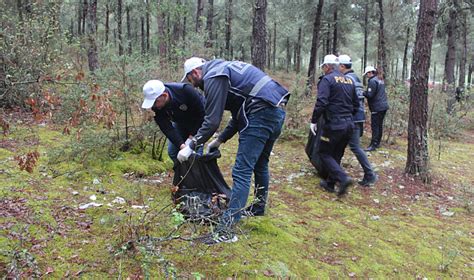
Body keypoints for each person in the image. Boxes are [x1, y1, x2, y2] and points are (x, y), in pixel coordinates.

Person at [177, 57, 289, 244]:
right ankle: (258, 207)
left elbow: (212, 120)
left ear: (195, 72)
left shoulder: (214, 76)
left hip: (260, 113)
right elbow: (240, 110)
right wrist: (220, 140)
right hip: (276, 110)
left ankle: (226, 230)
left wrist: (192, 145)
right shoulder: (223, 69)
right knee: (261, 163)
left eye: (190, 80)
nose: (193, 85)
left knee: (241, 171)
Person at [310, 54, 359, 196]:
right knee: (336, 153)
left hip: (333, 125)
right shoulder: (349, 81)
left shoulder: (327, 80)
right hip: (349, 125)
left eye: (324, 67)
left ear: (327, 66)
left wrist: (314, 120)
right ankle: (330, 184)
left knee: (323, 152)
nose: (323, 69)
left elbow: (322, 102)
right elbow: (356, 105)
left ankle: (343, 179)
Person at [141, 80, 205, 162]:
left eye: (155, 102)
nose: (154, 106)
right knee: (173, 152)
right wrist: (182, 146)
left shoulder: (185, 91)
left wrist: (191, 140)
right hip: (180, 123)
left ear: (164, 95)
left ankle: (198, 173)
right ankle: (185, 173)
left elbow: (202, 115)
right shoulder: (157, 106)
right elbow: (167, 128)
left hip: (198, 122)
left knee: (194, 153)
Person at [338, 55, 378, 186]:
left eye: (339, 66)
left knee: (354, 146)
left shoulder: (347, 79)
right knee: (341, 145)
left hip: (352, 118)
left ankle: (370, 174)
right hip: (358, 116)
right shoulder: (356, 78)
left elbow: (347, 100)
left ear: (342, 66)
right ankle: (335, 172)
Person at [363, 66, 389, 151]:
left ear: (370, 73)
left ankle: (373, 145)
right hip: (383, 106)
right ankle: (377, 143)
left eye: (367, 74)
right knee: (379, 125)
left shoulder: (372, 81)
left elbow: (370, 95)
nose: (367, 76)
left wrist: (363, 93)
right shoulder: (380, 80)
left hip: (377, 107)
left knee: (375, 126)